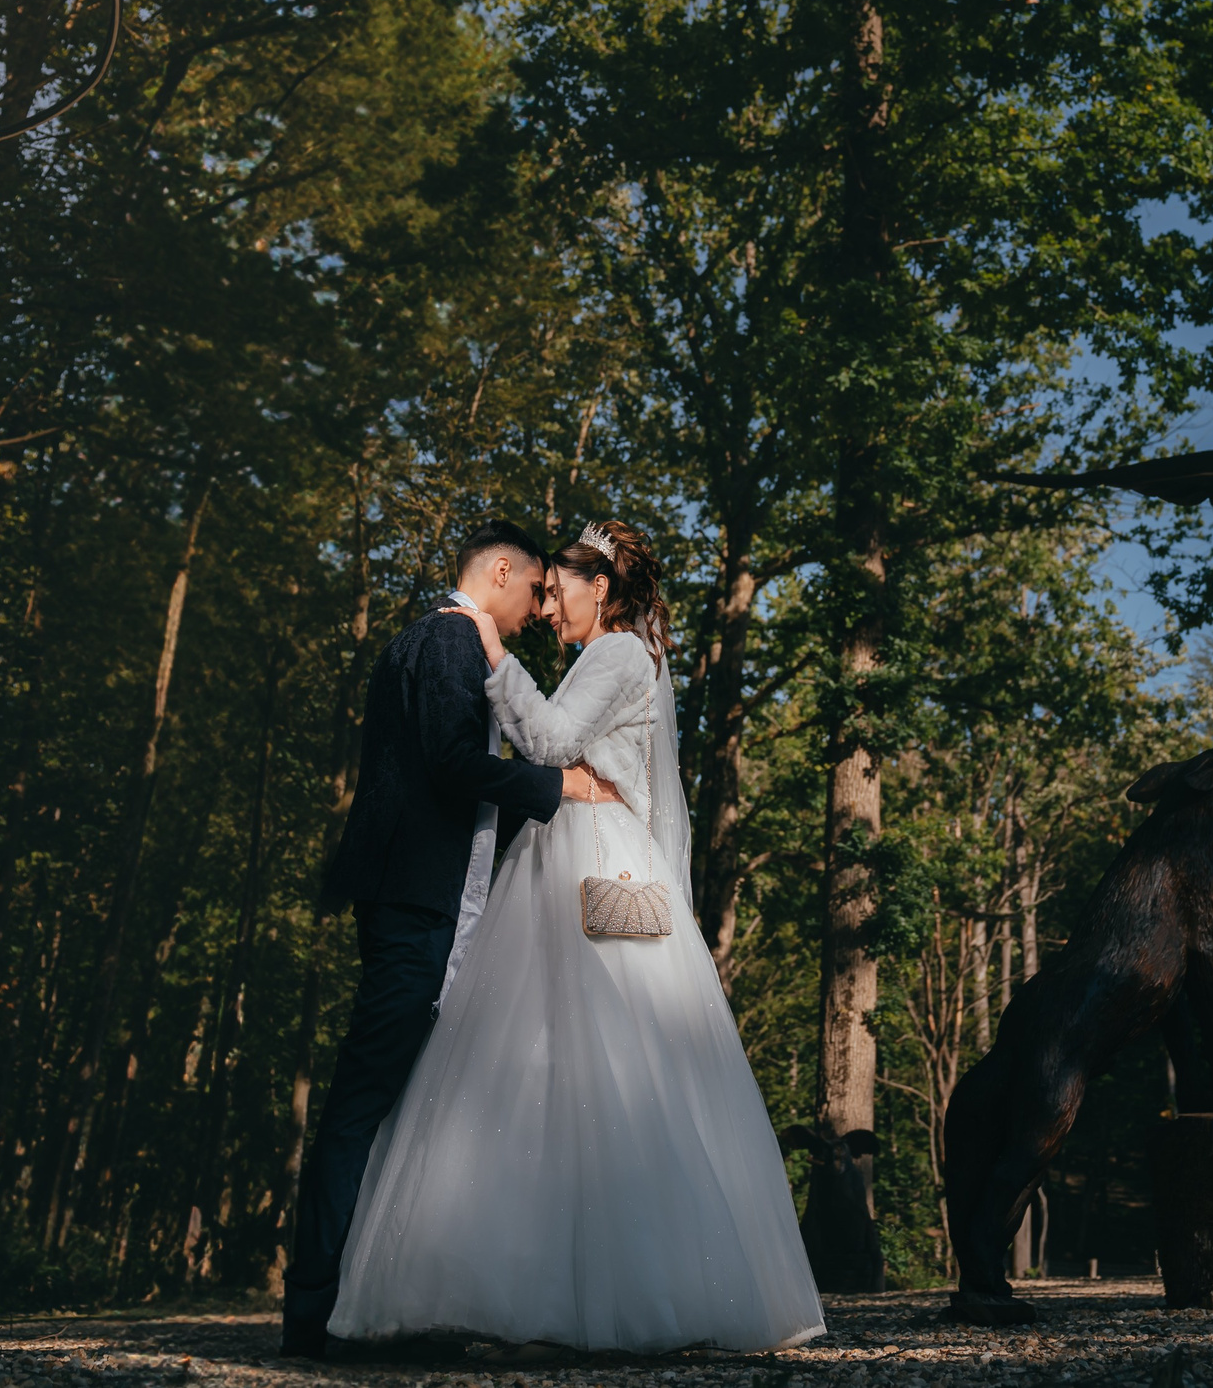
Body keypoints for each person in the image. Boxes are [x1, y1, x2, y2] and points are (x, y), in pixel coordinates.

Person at [327, 519, 824, 1354]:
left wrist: (493, 650)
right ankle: (542, 1275)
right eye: (542, 595)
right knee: (546, 1067)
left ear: (602, 587)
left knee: (605, 1062)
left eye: (556, 593)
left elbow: (551, 740)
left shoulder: (621, 652)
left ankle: (623, 1288)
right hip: (569, 847)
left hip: (591, 863)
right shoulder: (620, 655)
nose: (548, 610)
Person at [281, 521, 616, 1359]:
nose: (539, 608)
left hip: (431, 901)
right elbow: (452, 761)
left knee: (409, 1099)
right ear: (500, 571)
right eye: (534, 589)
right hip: (413, 906)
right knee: (366, 1100)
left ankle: (376, 1300)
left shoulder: (448, 641)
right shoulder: (446, 639)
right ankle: (316, 1314)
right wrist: (559, 786)